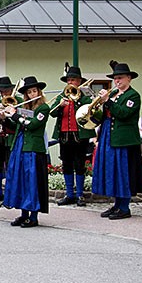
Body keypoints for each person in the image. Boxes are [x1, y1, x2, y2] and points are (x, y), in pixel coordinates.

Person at [93, 61, 142, 220]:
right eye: (115, 78)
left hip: (124, 140)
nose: (117, 81)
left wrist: (107, 101)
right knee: (113, 172)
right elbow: (105, 116)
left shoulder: (133, 95)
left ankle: (124, 207)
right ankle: (116, 204)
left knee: (123, 173)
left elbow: (123, 113)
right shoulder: (115, 94)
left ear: (129, 78)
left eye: (120, 78)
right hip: (109, 136)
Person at [3, 76, 50, 228]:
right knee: (21, 180)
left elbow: (33, 124)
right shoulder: (25, 108)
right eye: (29, 92)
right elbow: (17, 126)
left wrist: (15, 115)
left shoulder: (43, 108)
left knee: (32, 182)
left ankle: (34, 216)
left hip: (34, 150)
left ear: (39, 92)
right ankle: (23, 214)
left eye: (34, 91)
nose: (32, 94)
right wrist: (5, 118)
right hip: (20, 147)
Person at [50, 66, 96, 207]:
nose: (71, 82)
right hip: (64, 135)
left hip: (79, 135)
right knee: (67, 164)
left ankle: (80, 195)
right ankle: (69, 194)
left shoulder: (85, 96)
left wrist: (78, 99)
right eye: (69, 80)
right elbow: (52, 113)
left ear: (79, 81)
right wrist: (60, 105)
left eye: (73, 80)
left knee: (80, 165)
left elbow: (90, 111)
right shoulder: (62, 95)